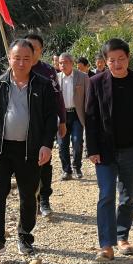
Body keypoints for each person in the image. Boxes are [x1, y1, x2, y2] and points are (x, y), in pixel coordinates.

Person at [0, 39, 58, 256]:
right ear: (9, 58)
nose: (21, 63)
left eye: (26, 58)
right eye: (17, 58)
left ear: (33, 59)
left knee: (28, 195)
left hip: (30, 150)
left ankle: (25, 237)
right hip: (1, 149)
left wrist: (47, 145)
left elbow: (51, 119)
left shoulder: (43, 85)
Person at [85, 38, 133, 262]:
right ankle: (106, 245)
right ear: (105, 61)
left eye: (121, 59)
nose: (117, 64)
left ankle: (122, 236)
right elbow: (91, 117)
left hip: (132, 149)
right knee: (106, 195)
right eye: (111, 60)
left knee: (127, 196)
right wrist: (92, 148)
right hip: (105, 150)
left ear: (128, 58)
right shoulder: (96, 82)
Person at [24, 33, 66, 218]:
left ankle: (44, 199)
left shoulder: (48, 71)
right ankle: (29, 200)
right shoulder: (17, 69)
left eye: (35, 49)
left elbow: (58, 97)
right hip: (21, 127)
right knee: (24, 165)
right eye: (28, 47)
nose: (31, 52)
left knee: (44, 162)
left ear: (41, 51)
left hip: (43, 125)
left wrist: (62, 120)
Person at [58, 52, 90, 180]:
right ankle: (66, 170)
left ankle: (77, 167)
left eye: (65, 62)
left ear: (72, 63)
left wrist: (88, 113)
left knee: (77, 141)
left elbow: (88, 96)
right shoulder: (55, 78)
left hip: (77, 114)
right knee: (62, 144)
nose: (62, 65)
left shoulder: (82, 77)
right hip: (62, 115)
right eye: (60, 63)